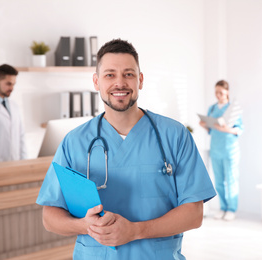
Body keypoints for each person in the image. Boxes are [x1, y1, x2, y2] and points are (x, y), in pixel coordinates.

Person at [36, 39, 216, 259]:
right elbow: (50, 216)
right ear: (96, 82)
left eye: (128, 74)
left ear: (140, 80)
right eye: (110, 75)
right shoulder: (74, 142)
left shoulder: (174, 135)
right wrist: (85, 226)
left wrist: (136, 231)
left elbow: (194, 214)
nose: (119, 83)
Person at [199, 80, 243, 221]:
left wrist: (225, 129)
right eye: (216, 92)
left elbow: (239, 129)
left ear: (227, 92)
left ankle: (231, 209)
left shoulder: (233, 109)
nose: (218, 95)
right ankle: (222, 208)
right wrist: (204, 125)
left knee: (231, 180)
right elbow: (210, 129)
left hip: (230, 150)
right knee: (218, 181)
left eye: (221, 93)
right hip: (216, 149)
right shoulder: (212, 109)